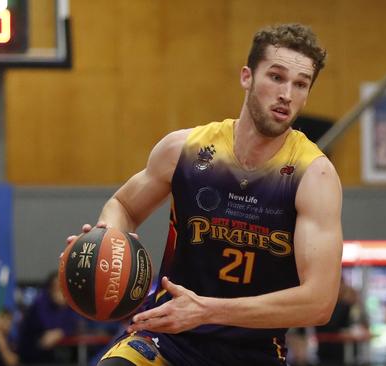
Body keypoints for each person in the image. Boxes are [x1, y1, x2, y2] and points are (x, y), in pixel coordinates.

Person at [67, 23, 344, 366]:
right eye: (276, 77)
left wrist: (205, 311)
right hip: (167, 338)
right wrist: (107, 239)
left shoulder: (313, 175)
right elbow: (123, 205)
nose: (287, 93)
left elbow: (319, 302)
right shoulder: (184, 149)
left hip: (252, 353)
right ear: (247, 77)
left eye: (300, 84)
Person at [17, 272, 79, 364]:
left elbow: (76, 322)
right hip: (31, 353)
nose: (60, 292)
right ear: (49, 289)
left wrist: (61, 331)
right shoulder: (40, 302)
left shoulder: (69, 303)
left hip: (55, 354)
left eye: (63, 288)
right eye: (57, 288)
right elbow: (46, 326)